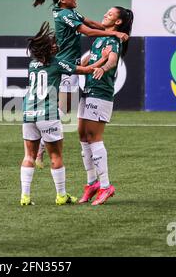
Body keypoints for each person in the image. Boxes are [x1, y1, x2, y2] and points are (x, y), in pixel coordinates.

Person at [32, 0, 129, 169]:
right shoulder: (64, 15)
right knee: (62, 110)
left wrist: (110, 26)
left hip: (71, 63)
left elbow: (92, 23)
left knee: (64, 110)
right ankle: (39, 146)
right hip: (67, 65)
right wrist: (114, 33)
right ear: (63, 0)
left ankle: (40, 144)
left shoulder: (70, 11)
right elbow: (88, 32)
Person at [20, 21, 111, 206]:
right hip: (47, 114)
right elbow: (85, 70)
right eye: (53, 44)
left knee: (28, 156)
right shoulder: (56, 63)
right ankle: (61, 195)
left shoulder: (32, 65)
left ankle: (25, 196)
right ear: (48, 49)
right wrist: (103, 59)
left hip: (28, 113)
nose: (57, 45)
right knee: (56, 157)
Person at [77, 6, 134, 206]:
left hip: (101, 93)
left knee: (94, 137)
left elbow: (112, 59)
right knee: (83, 136)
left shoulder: (114, 39)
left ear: (118, 22)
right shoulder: (101, 36)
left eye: (110, 14)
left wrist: (103, 67)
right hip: (88, 90)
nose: (105, 15)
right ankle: (91, 183)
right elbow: (89, 57)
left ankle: (106, 186)